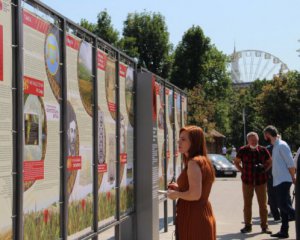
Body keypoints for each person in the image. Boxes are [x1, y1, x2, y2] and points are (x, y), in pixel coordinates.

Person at [167, 125, 216, 240]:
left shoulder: (194, 163)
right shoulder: (203, 161)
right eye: (179, 139)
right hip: (201, 212)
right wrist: (180, 188)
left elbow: (195, 194)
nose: (179, 142)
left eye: (183, 139)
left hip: (193, 216)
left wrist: (177, 194)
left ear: (194, 142)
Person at [234, 132, 272, 234]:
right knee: (247, 204)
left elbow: (270, 161)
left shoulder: (263, 150)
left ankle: (264, 227)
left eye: (256, 140)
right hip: (247, 181)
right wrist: (242, 171)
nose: (254, 142)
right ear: (248, 140)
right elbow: (236, 162)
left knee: (263, 205)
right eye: (252, 140)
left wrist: (265, 169)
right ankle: (247, 226)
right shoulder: (243, 150)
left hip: (261, 181)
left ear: (258, 139)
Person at [263, 125, 296, 239]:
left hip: (284, 180)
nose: (264, 137)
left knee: (282, 204)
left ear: (268, 135)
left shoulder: (282, 145)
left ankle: (296, 215)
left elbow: (290, 163)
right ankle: (284, 231)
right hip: (278, 180)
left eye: (265, 135)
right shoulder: (275, 146)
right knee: (283, 208)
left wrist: (293, 177)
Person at [265, 144, 281, 222]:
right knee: (281, 194)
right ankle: (282, 212)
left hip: (271, 175)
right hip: (280, 175)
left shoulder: (267, 148)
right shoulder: (283, 146)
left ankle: (275, 214)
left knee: (271, 195)